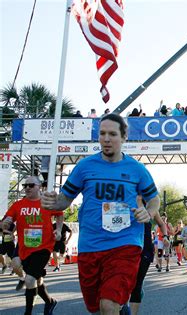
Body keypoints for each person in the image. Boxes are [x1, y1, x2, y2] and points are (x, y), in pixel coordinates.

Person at [41, 113, 160, 314]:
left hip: (125, 243)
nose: (106, 139)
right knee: (96, 308)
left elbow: (154, 199)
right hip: (91, 245)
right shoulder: (85, 167)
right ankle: (122, 309)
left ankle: (117, 306)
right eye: (102, 133)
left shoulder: (137, 169)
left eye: (112, 134)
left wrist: (148, 213)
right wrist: (51, 202)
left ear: (124, 137)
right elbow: (64, 200)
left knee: (108, 304)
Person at [3, 176, 63, 315]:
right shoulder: (18, 205)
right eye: (25, 185)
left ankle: (28, 312)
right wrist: (6, 223)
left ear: (39, 186)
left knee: (30, 279)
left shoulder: (47, 203)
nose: (27, 188)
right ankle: (50, 302)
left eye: (31, 185)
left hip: (44, 247)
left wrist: (58, 230)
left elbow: (59, 214)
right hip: (25, 247)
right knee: (36, 278)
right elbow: (8, 219)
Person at [127, 196, 168, 315]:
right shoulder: (126, 202)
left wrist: (165, 237)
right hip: (127, 249)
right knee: (125, 282)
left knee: (137, 284)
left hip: (145, 249)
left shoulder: (151, 206)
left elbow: (162, 224)